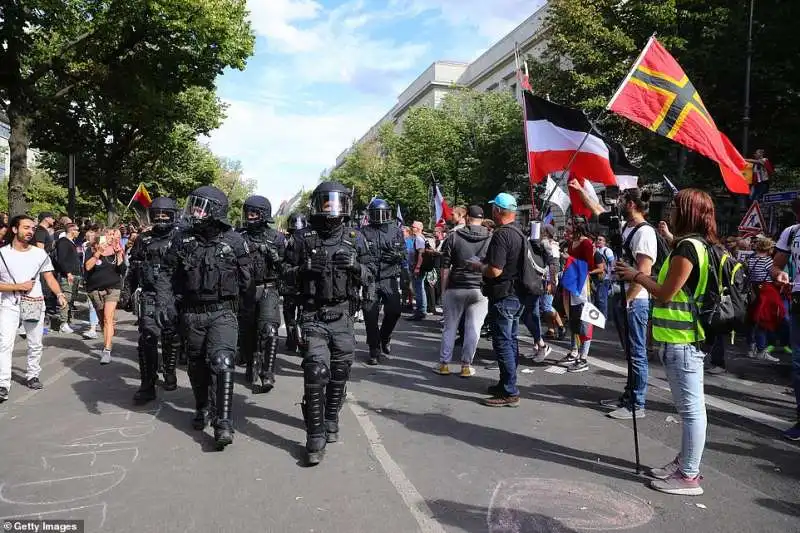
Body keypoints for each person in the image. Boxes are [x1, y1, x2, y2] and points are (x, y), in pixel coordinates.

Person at [616, 188, 716, 496]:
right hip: (685, 338)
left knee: (691, 411)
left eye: (674, 207)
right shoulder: (699, 244)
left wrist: (635, 275)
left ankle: (689, 475)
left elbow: (665, 292)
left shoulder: (687, 248)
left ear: (687, 212)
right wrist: (669, 238)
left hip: (682, 339)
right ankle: (684, 463)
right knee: (691, 409)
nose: (669, 210)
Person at [285, 181, 372, 465]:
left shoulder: (355, 238)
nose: (331, 208)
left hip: (343, 314)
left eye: (336, 203)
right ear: (318, 205)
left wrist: (356, 267)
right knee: (315, 370)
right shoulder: (303, 238)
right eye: (326, 203)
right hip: (312, 315)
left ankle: (331, 416)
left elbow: (372, 275)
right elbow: (283, 275)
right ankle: (315, 434)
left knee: (340, 371)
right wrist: (303, 269)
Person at [157, 185, 251, 450]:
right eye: (194, 205)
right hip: (191, 314)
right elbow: (165, 273)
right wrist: (165, 302)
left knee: (222, 362)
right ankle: (202, 406)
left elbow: (247, 281)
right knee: (196, 366)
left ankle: (223, 421)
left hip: (223, 312)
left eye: (201, 206)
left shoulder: (233, 240)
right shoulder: (182, 238)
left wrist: (246, 317)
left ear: (215, 210)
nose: (195, 211)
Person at [0, 215, 68, 401]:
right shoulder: (2, 254)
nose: (30, 231)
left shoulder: (39, 254)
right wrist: (17, 287)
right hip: (9, 304)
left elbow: (49, 277)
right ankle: (3, 384)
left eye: (32, 228)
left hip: (34, 302)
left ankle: (32, 375)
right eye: (26, 228)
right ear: (14, 229)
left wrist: (60, 294)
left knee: (35, 342)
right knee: (5, 344)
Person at [467, 193, 526, 407]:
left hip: (503, 294)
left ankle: (510, 391)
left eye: (494, 208)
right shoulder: (519, 233)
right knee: (510, 341)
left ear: (498, 211)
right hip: (516, 294)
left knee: (503, 343)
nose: (492, 211)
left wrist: (478, 266)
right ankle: (506, 384)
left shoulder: (502, 235)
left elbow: (495, 270)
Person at [127, 197, 182, 404]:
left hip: (172, 296)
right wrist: (127, 291)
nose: (160, 218)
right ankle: (147, 384)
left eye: (164, 214)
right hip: (149, 294)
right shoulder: (144, 239)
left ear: (172, 215)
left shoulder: (180, 237)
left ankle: (169, 371)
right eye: (157, 214)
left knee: (170, 336)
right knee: (147, 338)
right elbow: (134, 266)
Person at [436, 205, 492, 377]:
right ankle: (466, 366)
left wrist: (443, 289)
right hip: (480, 289)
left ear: (467, 217)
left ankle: (444, 364)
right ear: (482, 219)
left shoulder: (454, 237)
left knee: (450, 327)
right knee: (473, 329)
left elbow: (445, 267)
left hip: (456, 286)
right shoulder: (491, 237)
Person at [238, 195, 285, 393]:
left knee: (269, 331)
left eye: (254, 213)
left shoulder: (277, 238)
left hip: (269, 288)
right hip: (246, 291)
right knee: (247, 332)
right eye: (247, 212)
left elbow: (287, 268)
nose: (250, 216)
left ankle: (268, 373)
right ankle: (251, 360)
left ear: (263, 215)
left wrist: (275, 257)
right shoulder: (238, 236)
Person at [360, 198, 405, 366]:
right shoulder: (364, 232)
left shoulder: (395, 231)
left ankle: (384, 337)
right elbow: (358, 252)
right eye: (375, 214)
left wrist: (397, 256)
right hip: (371, 279)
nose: (379, 217)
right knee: (370, 314)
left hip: (389, 277)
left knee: (394, 311)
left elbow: (403, 253)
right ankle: (374, 348)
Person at [771, 215, 800, 441]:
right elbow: (777, 265)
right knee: (798, 365)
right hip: (798, 300)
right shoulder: (791, 232)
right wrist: (778, 274)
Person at [84, 231, 125, 364]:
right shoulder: (91, 251)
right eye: (105, 240)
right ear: (96, 243)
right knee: (102, 320)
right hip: (95, 289)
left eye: (109, 239)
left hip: (113, 287)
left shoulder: (115, 251)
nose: (108, 242)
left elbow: (122, 270)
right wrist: (98, 253)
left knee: (108, 318)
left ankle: (107, 349)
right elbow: (88, 267)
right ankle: (107, 339)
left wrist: (119, 254)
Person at [282, 212, 309, 354]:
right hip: (298, 283)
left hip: (298, 282)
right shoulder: (289, 240)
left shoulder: (297, 239)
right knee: (297, 315)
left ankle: (296, 341)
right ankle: (297, 341)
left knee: (295, 315)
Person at [52, 223, 81, 333]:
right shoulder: (64, 242)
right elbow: (62, 259)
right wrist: (68, 272)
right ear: (72, 230)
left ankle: (68, 321)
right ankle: (63, 323)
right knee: (66, 297)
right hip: (68, 275)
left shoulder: (71, 242)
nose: (78, 232)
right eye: (77, 230)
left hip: (75, 273)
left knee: (71, 298)